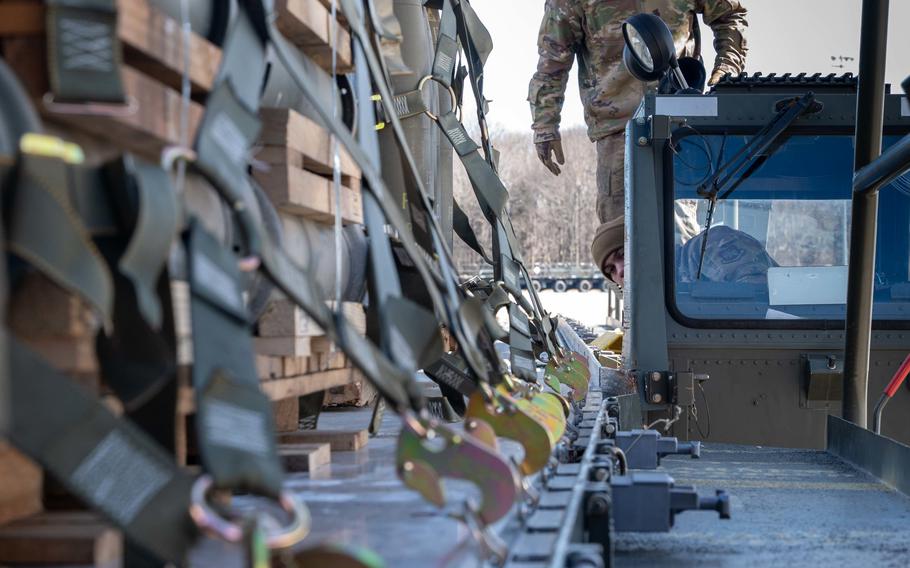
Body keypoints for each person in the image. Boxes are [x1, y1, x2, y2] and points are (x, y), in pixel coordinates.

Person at [528, 1, 748, 280]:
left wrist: (726, 75)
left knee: (677, 243)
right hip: (617, 129)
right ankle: (638, 320)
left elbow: (730, 16)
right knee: (621, 248)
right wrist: (545, 124)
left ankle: (681, 314)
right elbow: (553, 56)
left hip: (679, 121)